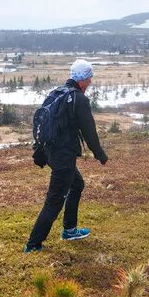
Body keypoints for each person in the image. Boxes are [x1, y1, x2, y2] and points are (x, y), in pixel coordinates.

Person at [25, 58, 109, 252]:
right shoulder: (79, 99)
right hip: (63, 157)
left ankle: (70, 230)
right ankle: (33, 244)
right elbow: (89, 131)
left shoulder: (57, 93)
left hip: (52, 152)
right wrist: (100, 155)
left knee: (77, 184)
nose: (90, 82)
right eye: (89, 78)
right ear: (81, 79)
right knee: (54, 200)